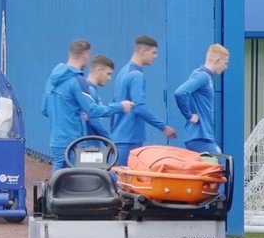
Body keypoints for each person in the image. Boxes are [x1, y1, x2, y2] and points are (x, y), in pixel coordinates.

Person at [42, 40, 132, 172]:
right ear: (86, 55)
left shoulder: (52, 80)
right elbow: (92, 110)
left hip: (56, 140)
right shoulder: (78, 81)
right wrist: (120, 107)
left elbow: (45, 109)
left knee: (58, 179)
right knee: (77, 181)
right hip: (73, 142)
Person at [110, 35, 177, 166]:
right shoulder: (137, 76)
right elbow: (139, 106)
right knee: (125, 180)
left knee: (117, 177)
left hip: (119, 136)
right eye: (153, 52)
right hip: (130, 137)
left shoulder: (123, 72)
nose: (155, 56)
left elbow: (115, 103)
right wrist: (163, 127)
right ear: (142, 52)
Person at [174, 44, 230, 154]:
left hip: (200, 135)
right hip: (200, 136)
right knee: (221, 167)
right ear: (217, 60)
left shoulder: (199, 74)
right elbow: (180, 92)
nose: (226, 67)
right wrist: (189, 115)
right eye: (225, 63)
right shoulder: (203, 76)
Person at [79, 54, 117, 139]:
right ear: (99, 70)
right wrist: (109, 141)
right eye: (108, 74)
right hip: (88, 145)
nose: (110, 78)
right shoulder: (89, 91)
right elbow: (93, 121)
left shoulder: (90, 89)